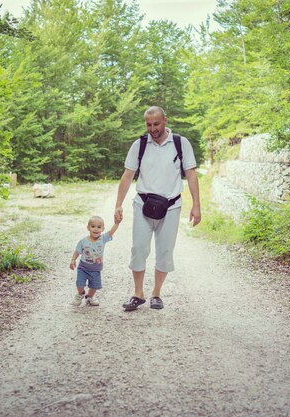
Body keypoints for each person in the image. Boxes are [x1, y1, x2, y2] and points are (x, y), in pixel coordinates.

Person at [114, 106, 201, 311]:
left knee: (165, 251)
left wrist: (197, 205)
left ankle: (156, 294)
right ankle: (138, 293)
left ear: (165, 120)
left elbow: (191, 174)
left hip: (171, 206)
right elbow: (127, 175)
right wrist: (118, 204)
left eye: (156, 124)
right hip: (143, 204)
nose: (152, 128)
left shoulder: (181, 143)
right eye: (148, 124)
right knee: (138, 249)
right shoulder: (140, 145)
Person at [69, 215, 120, 306]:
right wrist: (73, 260)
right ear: (88, 228)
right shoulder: (83, 241)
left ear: (103, 229)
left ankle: (89, 297)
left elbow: (111, 232)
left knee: (94, 286)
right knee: (80, 284)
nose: (96, 229)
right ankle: (80, 294)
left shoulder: (103, 239)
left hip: (96, 269)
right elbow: (77, 251)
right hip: (83, 268)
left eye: (99, 227)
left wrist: (116, 223)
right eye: (93, 226)